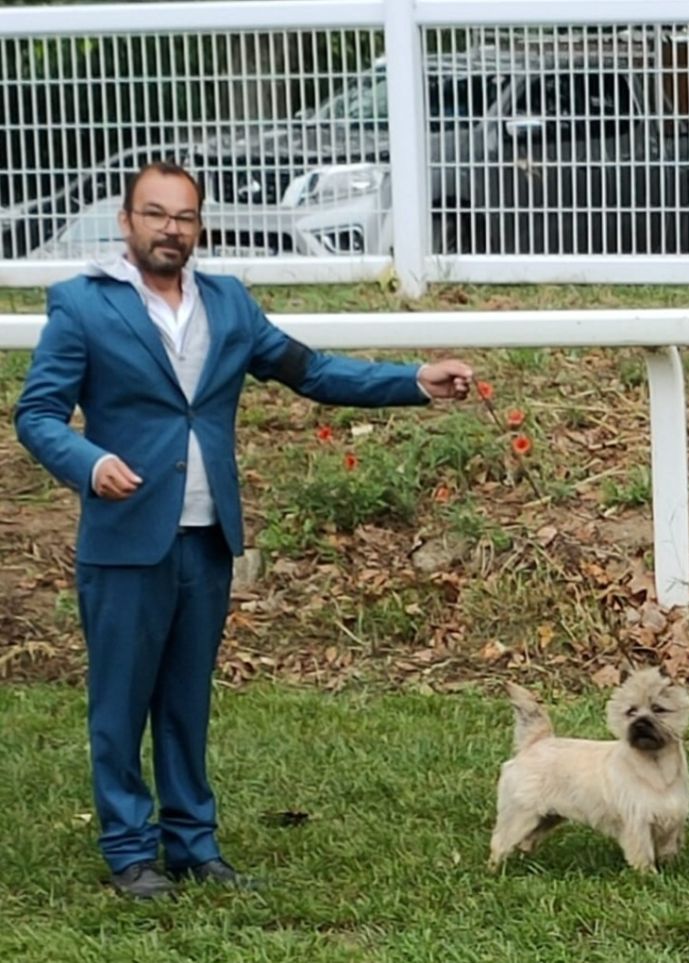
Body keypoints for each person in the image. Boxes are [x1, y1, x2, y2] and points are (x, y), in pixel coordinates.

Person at [15, 161, 474, 899]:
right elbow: (37, 414)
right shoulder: (83, 305)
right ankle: (131, 850)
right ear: (126, 222)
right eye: (157, 214)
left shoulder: (228, 305)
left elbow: (314, 371)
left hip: (205, 538)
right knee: (120, 701)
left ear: (200, 225)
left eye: (186, 216)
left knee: (186, 699)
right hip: (126, 539)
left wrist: (414, 379)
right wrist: (89, 460)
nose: (172, 228)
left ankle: (195, 845)